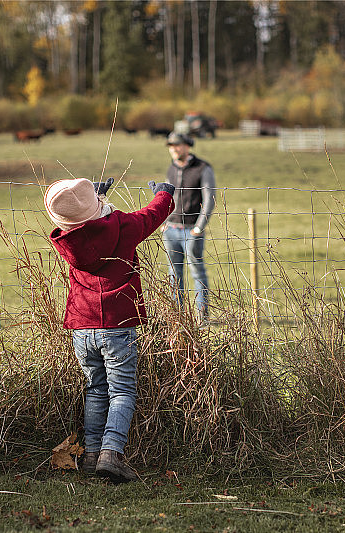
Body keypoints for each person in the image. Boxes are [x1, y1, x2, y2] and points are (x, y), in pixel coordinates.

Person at [44, 176, 175, 482]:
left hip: (81, 325)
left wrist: (93, 201)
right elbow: (154, 213)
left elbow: (83, 225)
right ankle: (111, 454)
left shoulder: (66, 238)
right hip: (117, 324)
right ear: (96, 210)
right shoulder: (123, 226)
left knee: (96, 389)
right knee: (122, 390)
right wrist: (164, 192)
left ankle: (90, 455)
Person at [162, 132, 216, 321]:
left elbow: (209, 201)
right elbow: (166, 199)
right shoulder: (171, 169)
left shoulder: (203, 168)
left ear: (187, 146)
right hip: (171, 231)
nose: (174, 149)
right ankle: (178, 318)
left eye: (177, 145)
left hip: (191, 230)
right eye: (171, 145)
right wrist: (164, 222)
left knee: (197, 272)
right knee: (173, 275)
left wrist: (198, 228)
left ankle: (203, 317)